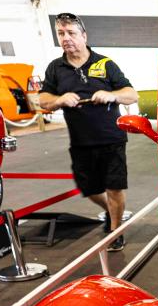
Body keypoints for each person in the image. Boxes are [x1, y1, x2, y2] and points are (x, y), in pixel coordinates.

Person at [38, 13, 138, 251]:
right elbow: (43, 100)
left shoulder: (104, 64)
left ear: (84, 36)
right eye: (61, 33)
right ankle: (110, 211)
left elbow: (131, 94)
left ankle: (115, 231)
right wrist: (59, 99)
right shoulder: (56, 68)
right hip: (81, 141)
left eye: (71, 33)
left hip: (111, 138)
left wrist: (111, 95)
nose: (66, 38)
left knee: (114, 187)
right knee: (90, 189)